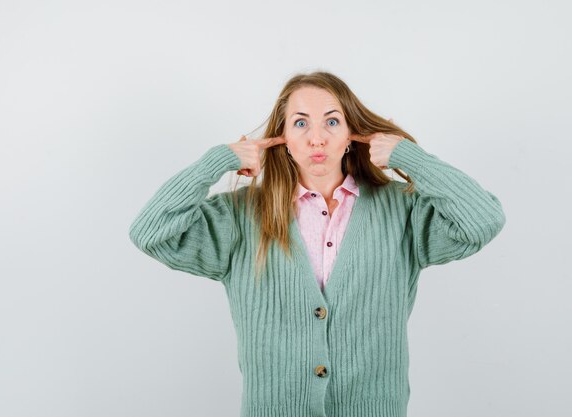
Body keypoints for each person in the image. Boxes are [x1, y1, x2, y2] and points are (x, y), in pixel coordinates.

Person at [128, 71, 506, 417]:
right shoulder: (240, 216)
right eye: (300, 123)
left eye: (331, 121)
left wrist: (410, 156)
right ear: (284, 140)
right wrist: (216, 162)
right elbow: (149, 231)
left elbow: (483, 220)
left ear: (351, 135)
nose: (316, 138)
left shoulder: (401, 210)